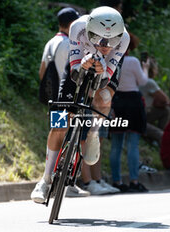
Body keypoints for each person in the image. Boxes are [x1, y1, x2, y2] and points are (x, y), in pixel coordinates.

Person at [31, 6, 130, 203]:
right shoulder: (77, 27)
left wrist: (102, 70)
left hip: (107, 65)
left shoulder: (123, 39)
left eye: (111, 40)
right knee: (60, 121)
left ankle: (93, 132)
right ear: (89, 29)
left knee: (103, 97)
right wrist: (84, 63)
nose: (105, 44)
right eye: (100, 39)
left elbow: (104, 80)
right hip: (79, 60)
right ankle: (44, 180)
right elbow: (75, 71)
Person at [79, 0, 125, 196]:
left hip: (107, 82)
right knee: (81, 134)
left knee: (96, 137)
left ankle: (97, 179)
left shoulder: (121, 30)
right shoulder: (86, 29)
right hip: (86, 78)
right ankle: (87, 181)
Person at [109, 32, 152, 192]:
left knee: (116, 145)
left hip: (116, 101)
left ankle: (117, 181)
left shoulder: (110, 60)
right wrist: (145, 68)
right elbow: (142, 81)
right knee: (133, 143)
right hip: (133, 102)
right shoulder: (133, 61)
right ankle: (134, 180)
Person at [139, 56, 170, 146]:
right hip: (139, 118)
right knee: (162, 135)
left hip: (142, 114)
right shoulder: (149, 82)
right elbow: (165, 99)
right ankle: (157, 140)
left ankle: (150, 137)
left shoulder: (136, 79)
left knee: (165, 110)